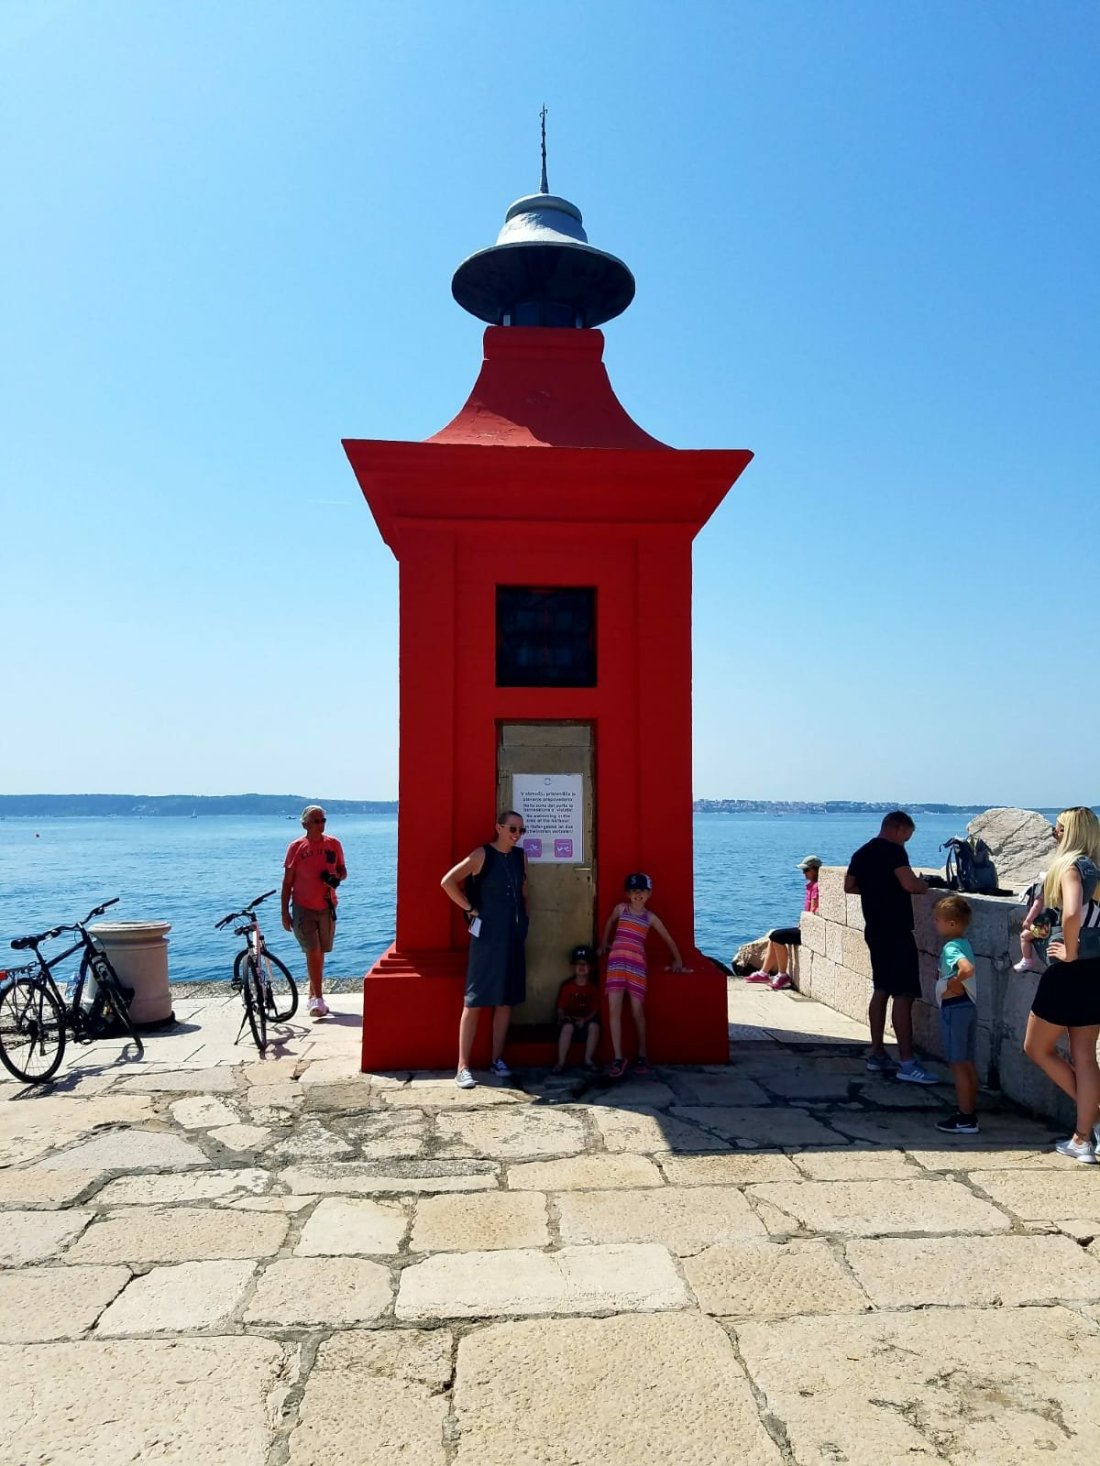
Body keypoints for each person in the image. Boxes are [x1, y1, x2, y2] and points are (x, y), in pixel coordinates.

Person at [1022, 806, 1100, 1164]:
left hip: (1069, 972)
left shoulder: (1071, 867)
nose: (1054, 833)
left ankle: (1092, 1122)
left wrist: (1069, 950)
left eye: (1059, 828)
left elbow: (1070, 913)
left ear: (1071, 833)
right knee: (1085, 1056)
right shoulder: (1097, 868)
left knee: (1036, 1047)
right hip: (1096, 970)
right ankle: (1083, 1138)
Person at [844, 810, 937, 1084]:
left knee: (881, 989)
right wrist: (923, 885)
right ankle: (907, 1063)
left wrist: (876, 889)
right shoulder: (894, 851)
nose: (906, 842)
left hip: (874, 929)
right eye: (906, 837)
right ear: (898, 829)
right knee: (904, 994)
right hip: (896, 931)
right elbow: (909, 884)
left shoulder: (862, 852)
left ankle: (876, 1053)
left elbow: (849, 886)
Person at [441, 810, 529, 1090]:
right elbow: (447, 882)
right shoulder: (482, 855)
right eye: (512, 829)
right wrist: (470, 907)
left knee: (506, 1000)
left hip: (513, 935)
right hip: (487, 936)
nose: (516, 835)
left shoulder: (520, 857)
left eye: (521, 830)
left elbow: (524, 890)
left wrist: (526, 918)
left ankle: (497, 1059)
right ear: (499, 828)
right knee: (475, 999)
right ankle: (463, 1066)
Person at [600, 872, 683, 1080]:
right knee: (614, 1010)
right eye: (634, 891)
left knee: (637, 1010)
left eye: (642, 891)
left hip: (636, 965)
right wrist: (604, 943)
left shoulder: (650, 917)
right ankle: (618, 1057)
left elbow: (668, 938)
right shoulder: (621, 909)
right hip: (616, 962)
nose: (638, 894)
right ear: (628, 893)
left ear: (649, 893)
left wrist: (678, 959)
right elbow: (609, 922)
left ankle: (642, 1054)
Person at [281, 804, 346, 1019]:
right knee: (313, 950)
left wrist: (336, 877)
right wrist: (284, 912)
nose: (321, 824)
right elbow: (287, 882)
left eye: (323, 820)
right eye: (316, 821)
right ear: (305, 825)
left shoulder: (334, 844)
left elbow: (343, 870)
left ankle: (312, 995)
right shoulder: (296, 847)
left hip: (327, 906)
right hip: (303, 907)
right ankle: (318, 999)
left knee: (320, 952)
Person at [932, 895, 980, 1134]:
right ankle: (969, 1111)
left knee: (958, 1064)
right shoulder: (964, 943)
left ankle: (965, 1117)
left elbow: (967, 969)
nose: (935, 924)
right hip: (968, 1007)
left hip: (955, 1008)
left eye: (938, 920)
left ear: (951, 923)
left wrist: (953, 982)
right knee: (967, 1062)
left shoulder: (951, 947)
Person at [747, 856, 822, 989]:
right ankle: (764, 973)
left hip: (811, 930)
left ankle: (782, 975)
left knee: (777, 937)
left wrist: (803, 924)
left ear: (816, 870)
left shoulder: (816, 887)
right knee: (774, 936)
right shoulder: (811, 885)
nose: (803, 873)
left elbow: (813, 910)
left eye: (806, 870)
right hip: (805, 926)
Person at [552, 944, 601, 1073]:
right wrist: (562, 1017)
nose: (581, 967)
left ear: (591, 967)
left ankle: (588, 1060)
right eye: (578, 963)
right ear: (573, 967)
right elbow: (561, 1007)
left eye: (585, 963)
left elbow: (594, 1009)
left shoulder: (593, 988)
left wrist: (585, 1019)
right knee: (567, 1028)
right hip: (570, 1020)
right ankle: (561, 1063)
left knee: (595, 1027)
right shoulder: (567, 986)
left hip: (586, 1020)